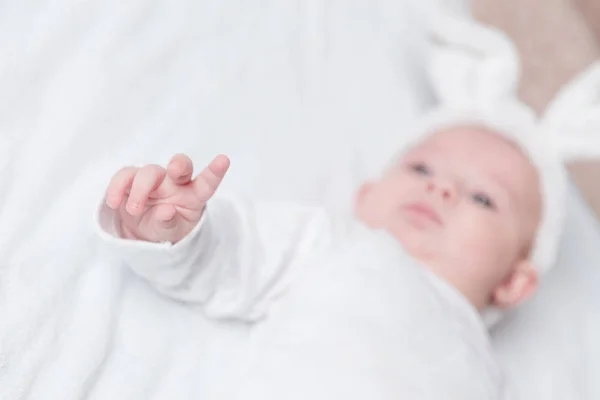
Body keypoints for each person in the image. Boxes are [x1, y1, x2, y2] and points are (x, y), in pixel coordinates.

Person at [95, 122, 545, 398]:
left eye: (483, 198)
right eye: (421, 169)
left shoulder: (490, 375)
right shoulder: (342, 245)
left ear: (513, 282)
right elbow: (232, 256)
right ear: (367, 197)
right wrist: (174, 228)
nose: (441, 188)